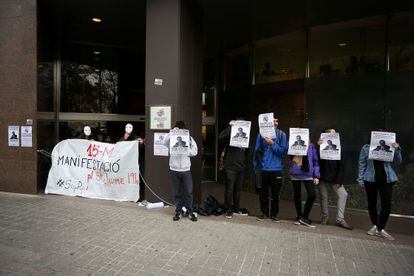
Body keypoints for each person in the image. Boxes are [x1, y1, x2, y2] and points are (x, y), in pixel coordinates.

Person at [358, 130, 402, 241]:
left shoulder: (390, 147)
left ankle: (379, 228)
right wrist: (360, 178)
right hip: (370, 179)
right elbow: (362, 163)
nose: (382, 141)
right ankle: (376, 226)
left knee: (386, 204)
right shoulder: (366, 148)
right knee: (371, 204)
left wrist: (397, 149)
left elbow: (398, 162)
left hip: (387, 179)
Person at [253, 117, 288, 222]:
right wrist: (256, 167)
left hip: (276, 169)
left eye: (277, 121)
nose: (275, 123)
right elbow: (256, 151)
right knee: (263, 193)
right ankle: (263, 213)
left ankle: (275, 214)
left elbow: (282, 152)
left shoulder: (282, 135)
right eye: (273, 121)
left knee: (275, 193)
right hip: (263, 169)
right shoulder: (260, 135)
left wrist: (272, 143)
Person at [317, 128, 352, 230]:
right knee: (323, 197)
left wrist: (339, 180)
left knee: (343, 194)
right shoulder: (320, 146)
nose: (333, 134)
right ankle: (325, 217)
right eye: (331, 133)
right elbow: (315, 161)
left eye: (334, 133)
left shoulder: (339, 148)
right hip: (322, 176)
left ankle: (340, 219)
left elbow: (342, 166)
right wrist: (317, 146)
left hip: (334, 177)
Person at [164, 121, 198, 222]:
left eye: (181, 129)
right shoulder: (171, 138)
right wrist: (171, 132)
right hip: (174, 169)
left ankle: (190, 212)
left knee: (188, 192)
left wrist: (186, 151)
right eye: (178, 129)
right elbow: (164, 142)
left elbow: (195, 151)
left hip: (186, 169)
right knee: (177, 192)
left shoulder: (189, 139)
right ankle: (178, 212)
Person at [218, 120, 249, 219]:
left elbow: (248, 152)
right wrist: (229, 127)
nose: (239, 130)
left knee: (238, 190)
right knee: (229, 189)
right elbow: (220, 137)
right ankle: (228, 209)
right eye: (238, 128)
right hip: (230, 167)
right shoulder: (230, 136)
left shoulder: (245, 136)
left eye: (241, 129)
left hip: (241, 167)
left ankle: (236, 208)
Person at [289, 140, 320, 228]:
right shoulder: (293, 143)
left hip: (308, 173)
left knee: (312, 195)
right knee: (297, 195)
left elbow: (315, 161)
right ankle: (299, 216)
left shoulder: (311, 146)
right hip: (295, 172)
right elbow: (290, 156)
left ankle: (304, 217)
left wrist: (316, 176)